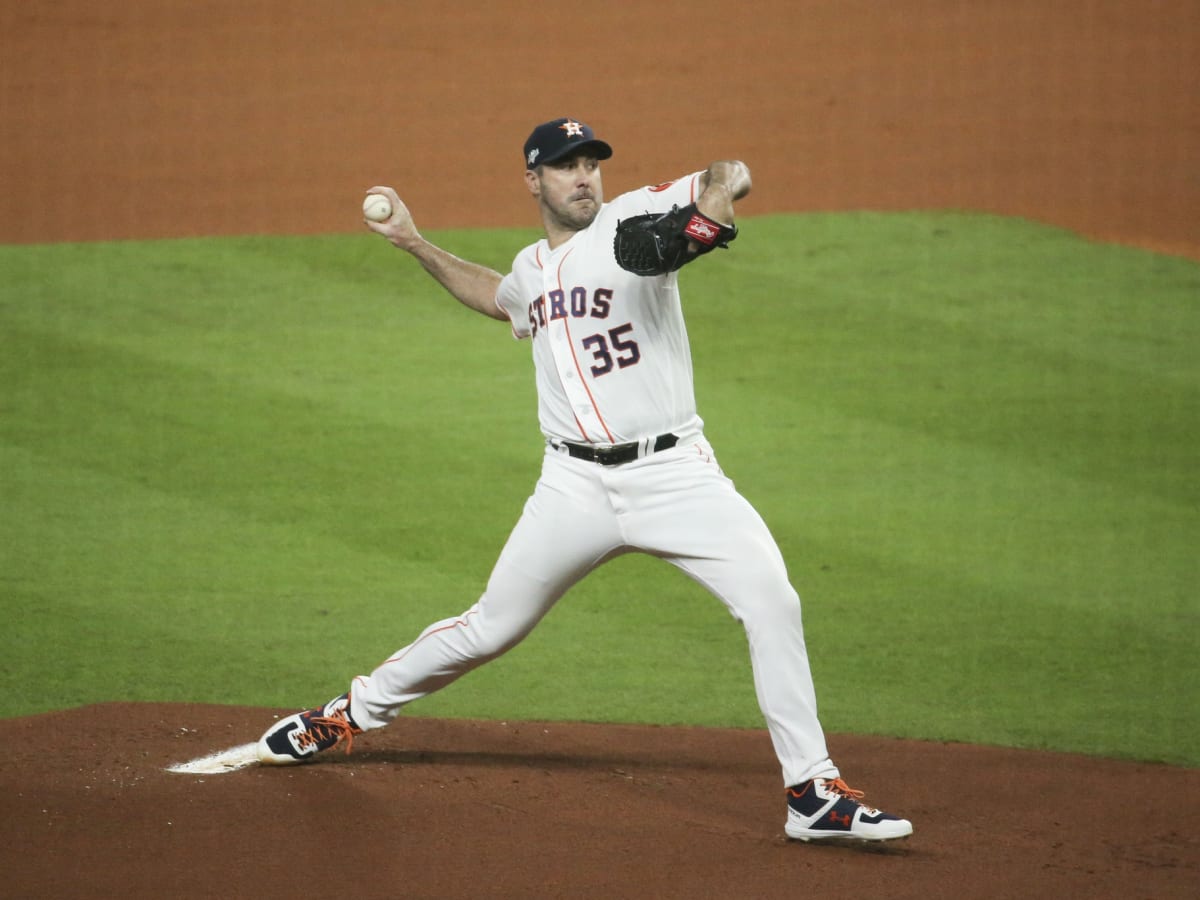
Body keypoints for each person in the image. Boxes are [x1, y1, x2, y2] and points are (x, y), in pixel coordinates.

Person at [255, 117, 912, 843]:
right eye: (566, 166)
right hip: (572, 489)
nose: (584, 177)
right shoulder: (532, 267)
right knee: (488, 628)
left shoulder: (632, 215)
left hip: (674, 475)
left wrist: (700, 222)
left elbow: (731, 171)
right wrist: (413, 243)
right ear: (534, 180)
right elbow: (501, 296)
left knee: (772, 601)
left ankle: (811, 793)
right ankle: (346, 714)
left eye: (591, 163)